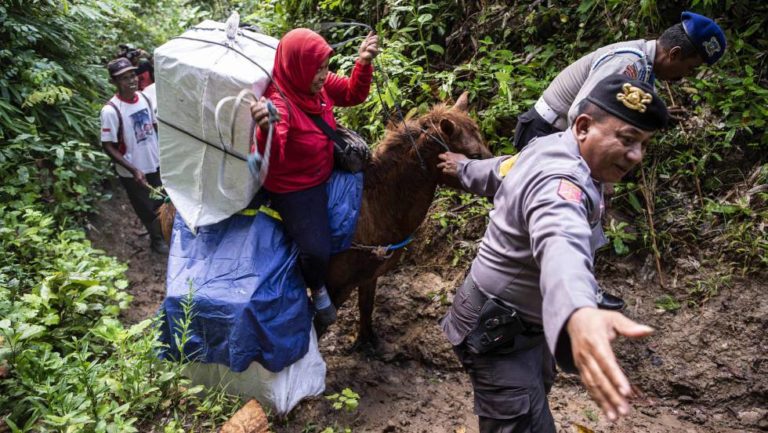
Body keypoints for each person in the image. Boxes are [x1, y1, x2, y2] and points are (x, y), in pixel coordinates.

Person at [439, 75, 669, 432]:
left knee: (535, 399)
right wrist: (579, 311)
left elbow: (501, 171)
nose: (636, 156)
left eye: (643, 144)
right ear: (582, 126)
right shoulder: (560, 183)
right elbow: (561, 242)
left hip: (525, 326)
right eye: (627, 140)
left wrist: (464, 167)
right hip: (498, 329)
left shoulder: (549, 146)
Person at [249, 29, 379, 328]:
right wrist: (265, 127)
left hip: (324, 166)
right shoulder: (280, 102)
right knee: (316, 251)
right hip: (296, 187)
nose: (323, 75)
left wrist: (363, 63)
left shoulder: (314, 86)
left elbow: (351, 94)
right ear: (297, 67)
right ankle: (317, 289)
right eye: (317, 68)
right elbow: (275, 152)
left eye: (325, 66)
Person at [100, 57, 168, 255]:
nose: (131, 80)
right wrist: (133, 169)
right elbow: (108, 145)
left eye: (132, 75)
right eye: (123, 78)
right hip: (133, 170)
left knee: (162, 200)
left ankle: (165, 233)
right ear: (114, 82)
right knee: (146, 206)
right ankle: (156, 241)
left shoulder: (145, 98)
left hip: (154, 161)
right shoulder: (111, 111)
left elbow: (154, 126)